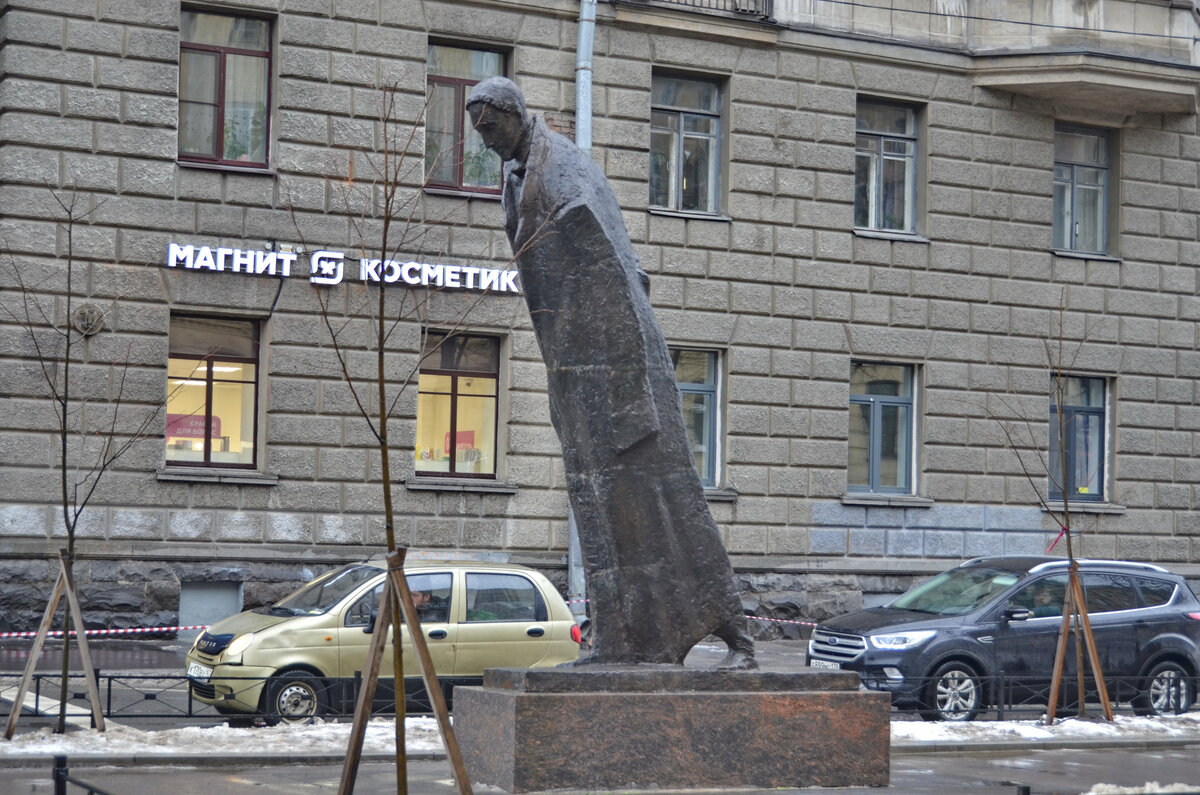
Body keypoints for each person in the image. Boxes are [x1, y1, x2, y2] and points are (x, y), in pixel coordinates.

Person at [466, 77, 755, 669]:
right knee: (599, 507)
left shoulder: (564, 169)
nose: (486, 141)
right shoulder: (518, 173)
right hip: (578, 369)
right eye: (478, 132)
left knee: (668, 503)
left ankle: (737, 636)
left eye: (490, 127)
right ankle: (620, 640)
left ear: (515, 115)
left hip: (620, 368)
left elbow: (619, 278)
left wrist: (627, 394)